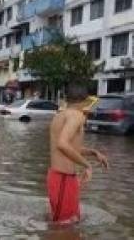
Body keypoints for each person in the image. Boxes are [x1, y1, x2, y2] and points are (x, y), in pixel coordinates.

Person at [47, 82, 110, 225]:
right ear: (85, 100)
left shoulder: (60, 115)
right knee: (65, 226)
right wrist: (87, 165)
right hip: (63, 179)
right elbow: (62, 144)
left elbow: (70, 148)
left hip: (61, 178)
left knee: (67, 223)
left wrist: (93, 153)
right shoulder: (76, 116)